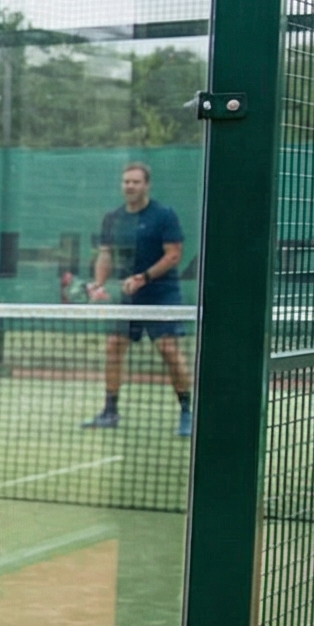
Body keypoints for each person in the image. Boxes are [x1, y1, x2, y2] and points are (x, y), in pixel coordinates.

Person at [82, 162, 193, 437]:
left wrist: (143, 277)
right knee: (113, 347)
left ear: (146, 185)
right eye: (126, 182)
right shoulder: (113, 218)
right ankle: (109, 411)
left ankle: (187, 412)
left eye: (135, 182)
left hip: (162, 294)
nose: (129, 186)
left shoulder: (164, 215)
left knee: (168, 350)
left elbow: (173, 255)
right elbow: (105, 254)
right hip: (128, 298)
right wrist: (97, 284)